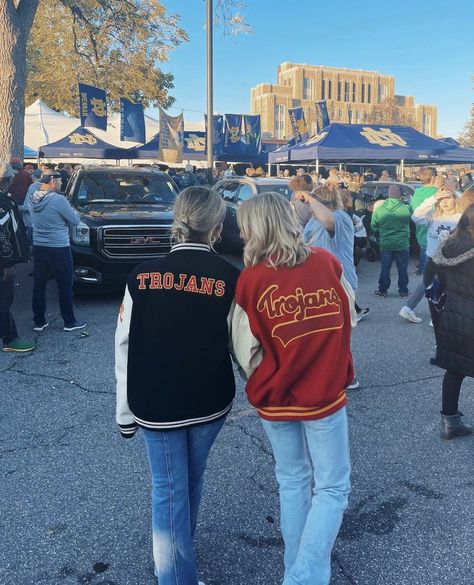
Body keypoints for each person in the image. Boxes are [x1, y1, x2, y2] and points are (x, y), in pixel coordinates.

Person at [115, 186, 239, 585]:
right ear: (217, 228)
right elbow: (244, 347)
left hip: (155, 403)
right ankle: (176, 567)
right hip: (209, 400)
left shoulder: (141, 276)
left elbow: (123, 346)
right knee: (187, 481)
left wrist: (124, 412)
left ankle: (176, 558)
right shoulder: (229, 277)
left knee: (170, 488)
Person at [232, 191, 355, 585]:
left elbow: (244, 349)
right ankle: (302, 577)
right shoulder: (326, 263)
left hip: (275, 395)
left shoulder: (250, 280)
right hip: (324, 394)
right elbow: (349, 315)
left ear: (255, 229)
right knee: (332, 487)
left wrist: (271, 370)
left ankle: (296, 571)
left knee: (293, 480)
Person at [430, 204, 474, 439]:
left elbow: (434, 282)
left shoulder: (449, 245)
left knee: (455, 369)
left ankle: (450, 422)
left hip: (454, 314)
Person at [29, 171, 84, 332]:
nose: (61, 183)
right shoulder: (59, 200)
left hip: (39, 246)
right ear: (52, 181)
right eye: (59, 180)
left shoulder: (33, 197)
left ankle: (39, 321)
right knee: (65, 285)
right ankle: (69, 321)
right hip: (59, 247)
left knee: (39, 285)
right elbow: (75, 220)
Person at [400, 186, 462, 323]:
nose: (444, 201)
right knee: (437, 285)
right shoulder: (434, 216)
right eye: (441, 199)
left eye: (448, 198)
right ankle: (434, 315)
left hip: (452, 260)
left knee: (433, 284)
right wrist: (433, 198)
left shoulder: (461, 218)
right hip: (434, 258)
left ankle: (410, 308)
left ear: (455, 200)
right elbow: (416, 216)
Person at [0, 163, 35, 353]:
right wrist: (8, 263)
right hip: (2, 263)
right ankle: (9, 338)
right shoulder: (2, 202)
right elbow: (3, 234)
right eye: (11, 177)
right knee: (4, 300)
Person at [371, 185, 411, 298]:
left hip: (386, 244)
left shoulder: (379, 209)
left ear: (388, 194)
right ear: (399, 194)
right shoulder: (406, 208)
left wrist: (380, 235)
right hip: (402, 244)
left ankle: (382, 290)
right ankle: (403, 291)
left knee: (385, 268)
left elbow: (373, 226)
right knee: (402, 269)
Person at [410, 168, 437, 276]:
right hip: (436, 225)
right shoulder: (437, 192)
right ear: (433, 177)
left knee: (424, 248)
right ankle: (425, 269)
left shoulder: (417, 193)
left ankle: (422, 269)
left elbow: (414, 210)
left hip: (421, 226)